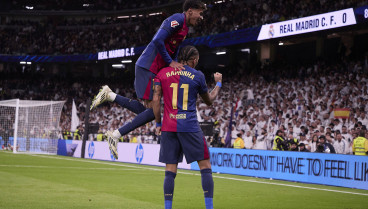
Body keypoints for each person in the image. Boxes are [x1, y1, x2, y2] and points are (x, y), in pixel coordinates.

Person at [89, 0, 207, 159]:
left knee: (150, 112)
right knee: (153, 112)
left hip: (154, 69)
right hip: (148, 67)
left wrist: (173, 65)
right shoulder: (178, 19)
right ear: (191, 10)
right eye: (200, 13)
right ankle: (116, 134)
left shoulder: (184, 27)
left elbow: (173, 48)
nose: (201, 17)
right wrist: (170, 62)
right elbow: (157, 40)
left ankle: (110, 96)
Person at [152, 45, 222, 209]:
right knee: (205, 166)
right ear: (194, 60)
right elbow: (209, 100)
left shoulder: (162, 73)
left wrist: (158, 123)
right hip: (189, 126)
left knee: (170, 170)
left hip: (169, 127)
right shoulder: (197, 75)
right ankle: (209, 207)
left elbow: (156, 99)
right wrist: (218, 84)